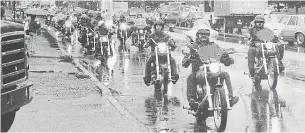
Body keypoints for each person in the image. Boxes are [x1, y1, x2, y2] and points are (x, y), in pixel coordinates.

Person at [182, 28, 239, 111]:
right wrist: (189, 58)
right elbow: (185, 62)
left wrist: (226, 58)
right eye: (201, 34)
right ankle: (192, 101)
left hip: (212, 71)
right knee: (191, 77)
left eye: (205, 35)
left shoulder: (213, 45)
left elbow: (221, 55)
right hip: (198, 71)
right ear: (198, 35)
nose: (203, 36)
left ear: (208, 36)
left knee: (225, 74)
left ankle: (230, 99)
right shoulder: (193, 46)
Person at [248, 15, 285, 86]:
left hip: (264, 46)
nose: (259, 23)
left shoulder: (266, 29)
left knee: (276, 47)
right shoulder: (251, 30)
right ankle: (252, 73)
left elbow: (273, 37)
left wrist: (278, 41)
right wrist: (251, 42)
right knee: (251, 52)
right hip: (255, 46)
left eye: (261, 22)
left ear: (263, 22)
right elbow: (248, 38)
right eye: (258, 22)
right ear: (255, 22)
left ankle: (279, 62)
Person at [143, 20, 179, 86]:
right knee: (148, 62)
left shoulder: (166, 35)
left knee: (173, 61)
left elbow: (170, 40)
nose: (158, 27)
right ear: (155, 27)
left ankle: (174, 76)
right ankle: (147, 78)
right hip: (155, 54)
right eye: (157, 26)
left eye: (159, 26)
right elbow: (148, 41)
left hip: (165, 54)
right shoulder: (152, 36)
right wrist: (146, 44)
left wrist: (173, 43)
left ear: (162, 27)